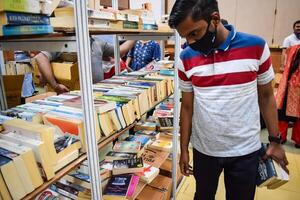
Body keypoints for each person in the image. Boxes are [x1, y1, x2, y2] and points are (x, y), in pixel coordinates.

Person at [168, 0, 289, 199]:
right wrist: (183, 149)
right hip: (204, 150)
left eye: (194, 34)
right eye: (185, 37)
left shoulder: (256, 46)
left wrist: (275, 141)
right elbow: (187, 107)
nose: (190, 43)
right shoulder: (186, 57)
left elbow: (266, 97)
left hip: (245, 151)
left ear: (214, 19)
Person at [35, 36, 135, 94]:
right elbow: (40, 57)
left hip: (96, 94)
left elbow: (119, 51)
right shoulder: (66, 41)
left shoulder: (97, 41)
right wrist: (55, 85)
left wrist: (135, 36)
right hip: (74, 95)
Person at [276, 45, 300, 148]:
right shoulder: (294, 48)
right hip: (289, 84)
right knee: (283, 113)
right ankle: (282, 136)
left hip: (295, 85)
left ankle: (298, 140)